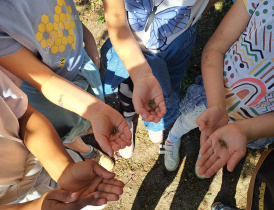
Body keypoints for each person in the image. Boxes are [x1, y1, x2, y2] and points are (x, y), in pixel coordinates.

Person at [162, 0, 274, 176]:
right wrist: (217, 105)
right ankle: (172, 139)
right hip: (212, 95)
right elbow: (215, 48)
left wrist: (245, 130)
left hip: (257, 123)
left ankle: (206, 152)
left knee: (212, 140)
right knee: (185, 121)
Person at [0, 0, 135, 170]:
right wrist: (96, 110)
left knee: (89, 106)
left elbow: (61, 13)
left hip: (78, 59)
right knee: (65, 128)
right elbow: (45, 80)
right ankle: (86, 150)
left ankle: (88, 126)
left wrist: (87, 37)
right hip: (40, 90)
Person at [100, 0, 217, 158]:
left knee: (169, 87)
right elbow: (115, 17)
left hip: (179, 37)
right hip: (130, 40)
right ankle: (126, 118)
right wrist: (142, 75)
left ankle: (155, 123)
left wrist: (199, 12)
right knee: (126, 90)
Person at [0, 67, 125, 209]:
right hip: (16, 201)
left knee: (89, 196)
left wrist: (63, 169)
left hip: (42, 156)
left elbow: (22, 114)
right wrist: (34, 207)